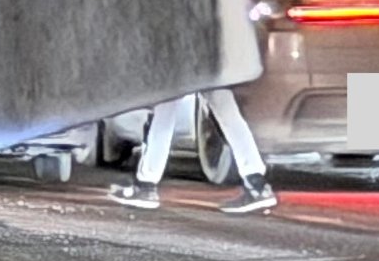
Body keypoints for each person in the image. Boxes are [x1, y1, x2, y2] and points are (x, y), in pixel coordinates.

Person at [110, 87, 278, 215]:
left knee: (165, 110)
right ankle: (257, 184)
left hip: (182, 60)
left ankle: (146, 186)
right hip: (212, 58)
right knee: (227, 112)